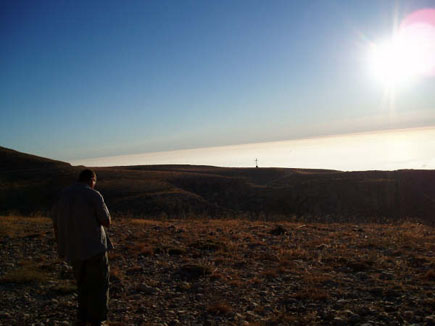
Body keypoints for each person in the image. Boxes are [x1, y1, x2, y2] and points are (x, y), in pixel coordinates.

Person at [51, 169, 113, 326]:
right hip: (94, 248)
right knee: (99, 284)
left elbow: (55, 223)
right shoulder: (93, 194)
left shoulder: (62, 195)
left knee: (82, 284)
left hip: (73, 248)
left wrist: (61, 246)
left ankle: (83, 317)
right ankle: (97, 320)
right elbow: (106, 221)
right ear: (92, 179)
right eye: (94, 182)